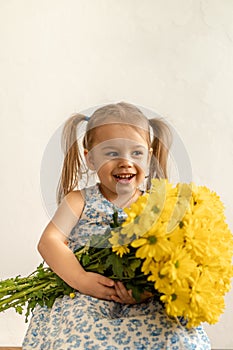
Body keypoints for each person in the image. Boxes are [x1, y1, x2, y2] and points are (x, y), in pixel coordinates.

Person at [22, 102, 211, 349]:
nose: (125, 162)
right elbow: (50, 241)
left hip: (145, 299)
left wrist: (148, 290)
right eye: (112, 153)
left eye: (136, 153)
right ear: (90, 158)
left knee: (177, 339)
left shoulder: (158, 205)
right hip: (87, 297)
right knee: (78, 338)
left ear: (149, 156)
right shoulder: (79, 200)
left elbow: (174, 258)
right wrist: (81, 279)